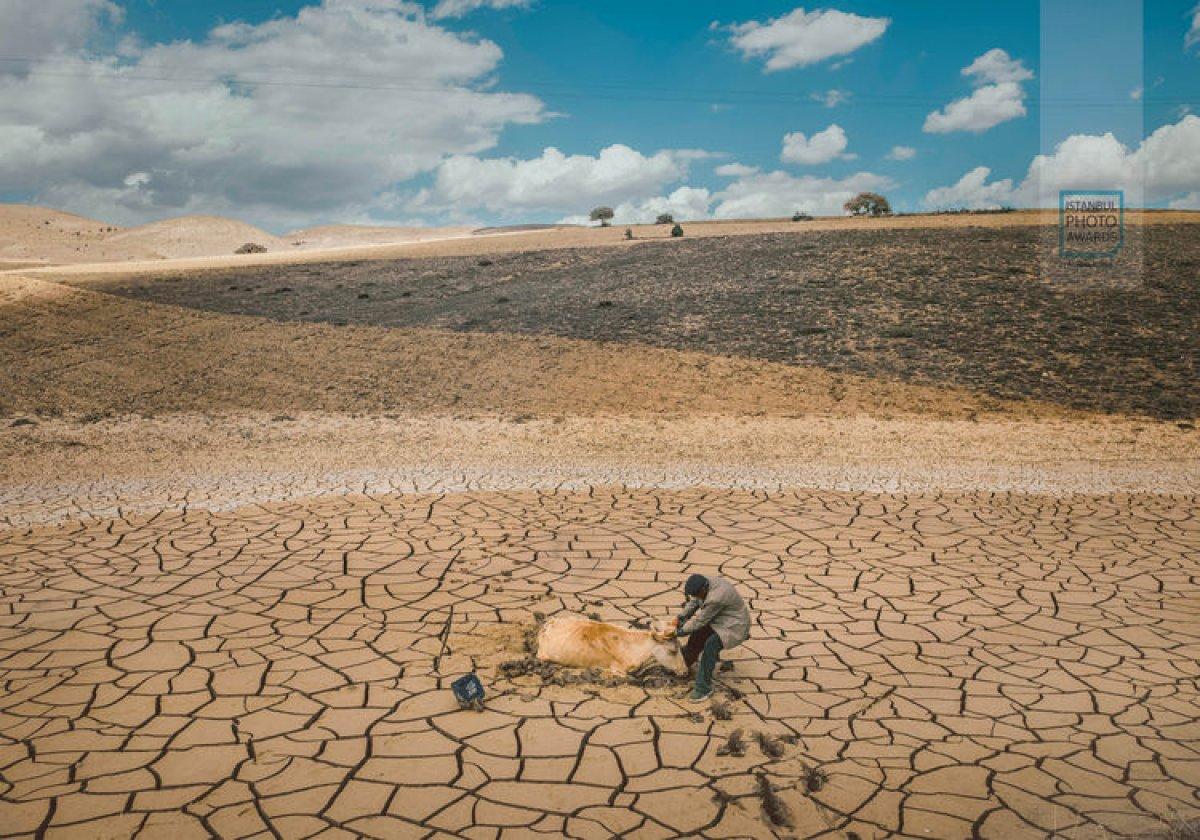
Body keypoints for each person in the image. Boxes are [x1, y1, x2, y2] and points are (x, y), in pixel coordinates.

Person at [660, 573, 750, 703]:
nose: (696, 597)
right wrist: (680, 618)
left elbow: (700, 621)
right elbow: (694, 602)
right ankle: (684, 663)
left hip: (734, 625)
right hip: (719, 619)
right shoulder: (704, 584)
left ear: (703, 589)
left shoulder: (716, 597)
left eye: (697, 594)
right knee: (697, 636)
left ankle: (703, 688)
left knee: (710, 645)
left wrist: (678, 632)